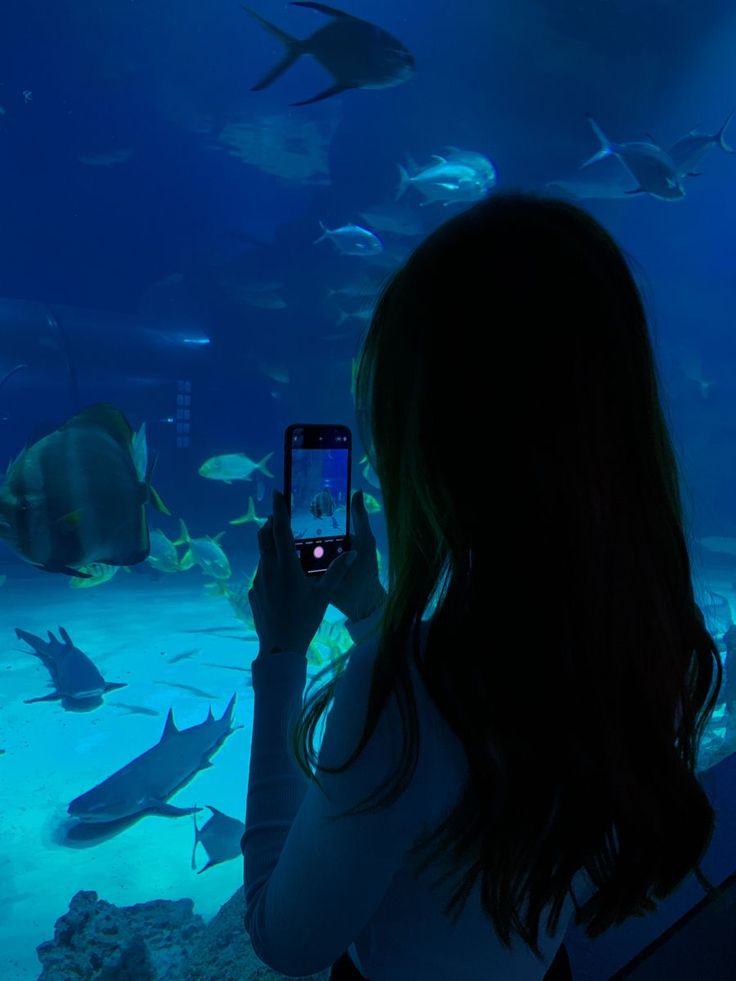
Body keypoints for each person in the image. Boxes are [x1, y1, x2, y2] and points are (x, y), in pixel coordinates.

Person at [241, 193, 723, 980]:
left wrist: (283, 655)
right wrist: (371, 609)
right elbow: (466, 769)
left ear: (433, 447)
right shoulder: (647, 643)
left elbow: (286, 937)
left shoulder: (402, 692)